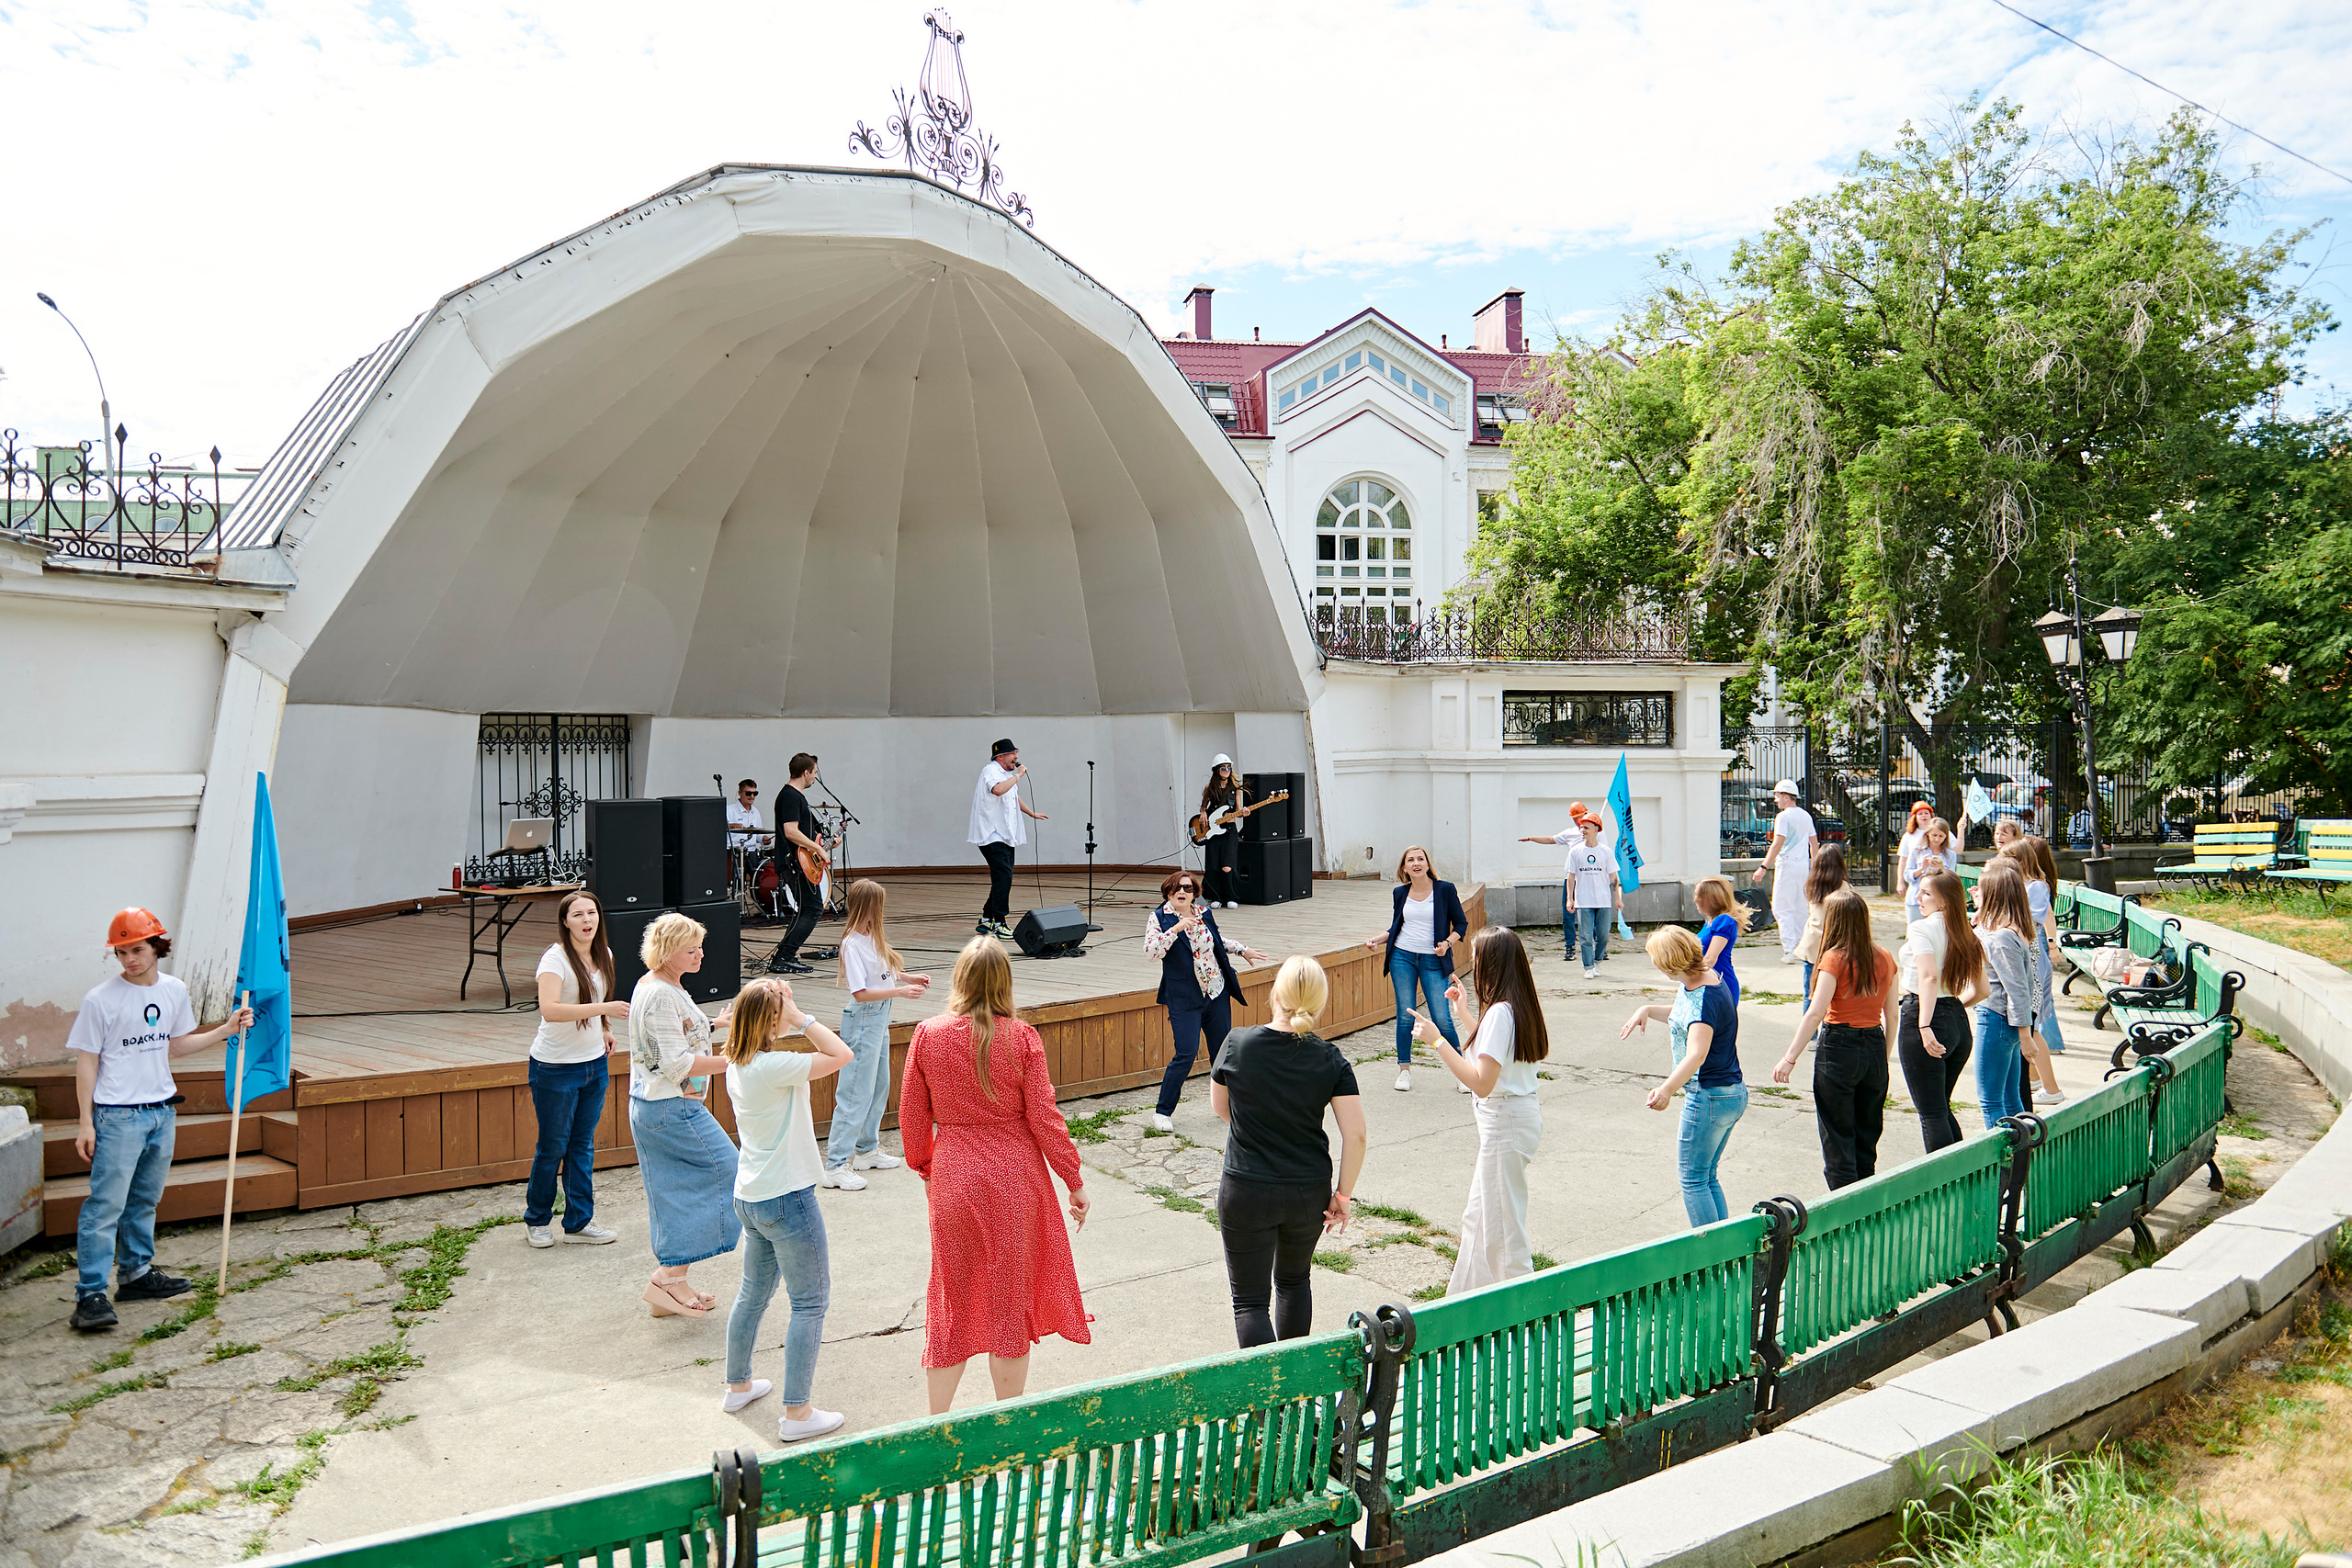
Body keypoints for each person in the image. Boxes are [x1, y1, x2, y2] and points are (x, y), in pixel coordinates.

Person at [900, 937, 1091, 1414]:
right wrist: (1073, 1179)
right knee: (1009, 1298)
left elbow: (910, 1114)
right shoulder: (1021, 1037)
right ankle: (1005, 1423)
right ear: (1006, 981)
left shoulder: (927, 1033)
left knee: (952, 1294)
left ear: (958, 979)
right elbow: (1045, 1117)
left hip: (954, 1173)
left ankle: (936, 1423)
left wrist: (926, 1164)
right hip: (1015, 1178)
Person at [67, 909, 255, 1333]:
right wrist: (86, 1122)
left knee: (145, 1200)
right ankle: (91, 1295)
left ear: (157, 947)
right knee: (105, 1207)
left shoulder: (174, 990)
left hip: (161, 1112)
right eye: (121, 952)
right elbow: (86, 1062)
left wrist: (226, 1029)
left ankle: (135, 1274)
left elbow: (177, 1045)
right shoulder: (101, 999)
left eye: (137, 949)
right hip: (117, 1115)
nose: (129, 959)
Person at [716, 976, 854, 1441]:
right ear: (771, 1023)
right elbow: (841, 1055)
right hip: (786, 1198)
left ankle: (738, 1385)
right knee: (810, 1303)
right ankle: (797, 1414)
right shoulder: (774, 1065)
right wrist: (802, 1019)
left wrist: (775, 1006)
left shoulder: (738, 1063)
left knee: (752, 1293)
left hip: (750, 1195)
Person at [1209, 956, 1367, 1347]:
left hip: (1246, 1187)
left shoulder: (1237, 1044)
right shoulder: (1330, 1058)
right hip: (1307, 1191)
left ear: (1274, 993)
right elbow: (1357, 1135)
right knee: (1295, 1282)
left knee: (1249, 1302)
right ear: (1319, 1002)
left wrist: (1258, 1123)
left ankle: (1268, 1403)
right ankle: (1297, 1394)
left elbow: (1221, 1108)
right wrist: (1343, 1195)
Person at [1410, 927, 1549, 1292]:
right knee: (1479, 1219)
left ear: (1492, 963)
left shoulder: (1502, 1012)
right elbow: (1490, 1053)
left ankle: (1521, 1315)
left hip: (1505, 1122)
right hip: (1510, 1120)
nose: (1472, 963)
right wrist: (1462, 1013)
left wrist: (1437, 1040)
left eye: (1476, 956)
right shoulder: (1511, 1006)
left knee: (1503, 1230)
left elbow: (1482, 1081)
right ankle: (1465, 1301)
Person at [626, 911, 741, 1318]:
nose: (700, 955)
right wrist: (736, 1057)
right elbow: (676, 1064)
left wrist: (713, 1024)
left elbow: (673, 1033)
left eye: (700, 947)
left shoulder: (656, 985)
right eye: (690, 949)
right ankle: (669, 1278)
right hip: (671, 1108)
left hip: (658, 1106)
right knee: (732, 1172)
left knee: (675, 1193)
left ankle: (671, 1283)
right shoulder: (658, 993)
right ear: (667, 951)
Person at [1618, 926, 1747, 1227]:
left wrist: (1666, 1089)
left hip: (1709, 1096)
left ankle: (1710, 1257)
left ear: (1668, 964)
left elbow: (1696, 1054)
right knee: (1706, 1175)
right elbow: (1685, 1015)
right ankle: (1724, 1250)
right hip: (1731, 1092)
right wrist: (1648, 1009)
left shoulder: (1702, 998)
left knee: (1692, 1179)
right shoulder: (1706, 977)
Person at [525, 889, 629, 1248]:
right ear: (565, 922)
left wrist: (605, 1028)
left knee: (582, 1145)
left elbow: (596, 1003)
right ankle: (537, 1220)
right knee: (552, 1147)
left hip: (593, 1066)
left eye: (592, 913)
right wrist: (603, 1011)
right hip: (555, 1068)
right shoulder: (555, 960)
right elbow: (550, 1010)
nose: (587, 920)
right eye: (578, 915)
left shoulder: (605, 955)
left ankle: (579, 1222)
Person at [1774, 887, 1897, 1190]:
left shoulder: (1834, 958)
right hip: (1874, 1046)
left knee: (1838, 1139)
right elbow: (1893, 1016)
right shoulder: (1885, 957)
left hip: (1839, 1047)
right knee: (1866, 1138)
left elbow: (1815, 1013)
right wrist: (1883, 1055)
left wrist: (1790, 1058)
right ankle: (1865, 1211)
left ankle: (1844, 1216)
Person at [823, 879, 931, 1190]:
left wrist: (909, 978)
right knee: (855, 1091)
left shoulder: (872, 936)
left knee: (878, 1085)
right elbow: (860, 992)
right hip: (864, 1018)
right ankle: (836, 1163)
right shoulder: (851, 943)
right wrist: (901, 991)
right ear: (867, 906)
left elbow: (883, 972)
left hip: (880, 1016)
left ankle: (866, 1148)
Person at [1142, 869, 1267, 1132]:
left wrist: (1242, 949)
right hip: (1184, 997)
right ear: (1168, 892)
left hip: (1216, 992)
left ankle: (1230, 1105)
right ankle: (1163, 1112)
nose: (1182, 893)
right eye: (1177, 888)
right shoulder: (1159, 918)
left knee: (1222, 1052)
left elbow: (1217, 941)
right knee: (1185, 1054)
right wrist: (1175, 929)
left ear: (1195, 893)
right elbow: (1152, 953)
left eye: (1188, 889)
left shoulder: (1203, 913)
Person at [1363, 846, 1468, 1093]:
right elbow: (1396, 928)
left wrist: (1447, 943)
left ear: (1428, 864)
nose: (1416, 863)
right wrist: (1377, 940)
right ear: (1404, 868)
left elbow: (1461, 923)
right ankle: (1404, 1071)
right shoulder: (1400, 893)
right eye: (1411, 860)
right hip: (1403, 957)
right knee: (1405, 1014)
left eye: (1420, 858)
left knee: (1442, 1017)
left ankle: (1463, 1073)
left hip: (1434, 959)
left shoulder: (1444, 890)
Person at [1895, 869, 1984, 1154]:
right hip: (1957, 1018)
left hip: (1925, 1015)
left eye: (1926, 893)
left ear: (1944, 901)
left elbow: (1929, 977)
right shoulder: (1965, 932)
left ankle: (1946, 1187)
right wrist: (1951, 1009)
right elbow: (1983, 990)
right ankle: (1961, 1175)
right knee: (1940, 1107)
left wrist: (1924, 1024)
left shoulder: (1922, 927)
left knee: (1932, 1113)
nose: (1918, 897)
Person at [1971, 862, 2042, 1128]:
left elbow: (2018, 989)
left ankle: (2004, 1162)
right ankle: (2024, 1156)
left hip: (1997, 1019)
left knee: (1991, 1100)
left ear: (1995, 895)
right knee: (2011, 1097)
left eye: (1983, 891)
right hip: (2006, 1022)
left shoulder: (2002, 938)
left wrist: (2026, 1036)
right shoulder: (2013, 930)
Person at [2000, 835, 2069, 1105]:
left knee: (2032, 1025)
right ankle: (2034, 1080)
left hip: (2033, 955)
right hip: (2026, 952)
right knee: (2027, 1023)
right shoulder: (2019, 885)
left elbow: (2030, 918)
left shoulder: (2036, 886)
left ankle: (2052, 1090)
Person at [1521, 804, 1619, 976]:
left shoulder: (1600, 837)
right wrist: (1532, 838)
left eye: (1581, 819)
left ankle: (1598, 957)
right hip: (1577, 881)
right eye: (1576, 820)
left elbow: (1610, 868)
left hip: (1599, 887)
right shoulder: (1573, 840)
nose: (1579, 823)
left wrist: (1617, 895)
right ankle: (1573, 950)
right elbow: (1552, 840)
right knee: (1573, 920)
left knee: (1602, 932)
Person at [968, 739, 1046, 940]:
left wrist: (1030, 813)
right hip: (991, 834)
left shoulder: (1005, 775)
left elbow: (1012, 794)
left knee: (1004, 876)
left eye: (1016, 753)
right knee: (1003, 875)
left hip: (1005, 834)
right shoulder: (991, 771)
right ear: (1000, 756)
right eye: (1012, 753)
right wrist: (1018, 776)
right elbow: (998, 790)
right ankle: (1000, 921)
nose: (1016, 757)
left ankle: (987, 919)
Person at [766, 754, 827, 976]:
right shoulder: (791, 796)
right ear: (805, 772)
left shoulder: (795, 796)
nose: (815, 777)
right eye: (815, 772)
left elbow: (804, 833)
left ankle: (784, 956)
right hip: (796, 863)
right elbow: (790, 832)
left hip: (801, 862)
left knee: (807, 910)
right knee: (812, 909)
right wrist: (819, 849)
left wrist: (823, 844)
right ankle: (784, 957)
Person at [1749, 780, 1816, 963]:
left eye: (1777, 795)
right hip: (1803, 867)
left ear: (1786, 796)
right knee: (1801, 907)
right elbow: (1814, 844)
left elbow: (1778, 843)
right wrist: (1816, 868)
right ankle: (1803, 948)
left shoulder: (1784, 817)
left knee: (1781, 908)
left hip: (1787, 866)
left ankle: (1790, 949)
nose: (1775, 799)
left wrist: (1763, 866)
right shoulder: (1805, 816)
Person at [1195, 755, 1274, 908]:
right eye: (1223, 767)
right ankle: (1216, 897)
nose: (1226, 770)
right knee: (1213, 866)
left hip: (1229, 830)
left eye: (1229, 767)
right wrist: (1203, 813)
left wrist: (1244, 812)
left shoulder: (1235, 789)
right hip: (1212, 831)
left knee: (1228, 866)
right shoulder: (1209, 788)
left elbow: (1238, 809)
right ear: (1216, 770)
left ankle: (1231, 897)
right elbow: (1204, 806)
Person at [1792, 844, 1849, 1039]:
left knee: (1810, 992)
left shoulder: (1811, 885)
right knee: (1830, 993)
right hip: (1832, 946)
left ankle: (1810, 1035)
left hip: (1811, 946)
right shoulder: (1843, 888)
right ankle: (1826, 1030)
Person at [1691, 875, 1747, 1005]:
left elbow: (1710, 958)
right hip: (1708, 981)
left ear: (1712, 898)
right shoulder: (1710, 922)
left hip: (1720, 985)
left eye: (1699, 895)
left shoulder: (1724, 921)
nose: (1695, 899)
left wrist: (1690, 976)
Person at [1902, 818, 1961, 923]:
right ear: (1928, 833)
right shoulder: (1917, 850)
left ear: (1946, 837)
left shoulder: (1950, 854)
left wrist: (1942, 869)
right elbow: (1907, 875)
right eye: (1934, 835)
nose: (1937, 839)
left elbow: (1952, 880)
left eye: (1941, 836)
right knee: (1914, 931)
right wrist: (1922, 868)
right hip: (1916, 900)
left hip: (1939, 901)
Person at [1892, 800, 1936, 911]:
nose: (1924, 816)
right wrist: (1900, 882)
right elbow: (1903, 860)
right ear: (1914, 817)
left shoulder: (1938, 832)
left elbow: (1956, 849)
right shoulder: (1908, 836)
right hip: (1916, 882)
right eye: (1920, 813)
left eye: (1926, 813)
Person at [726, 779, 770, 851]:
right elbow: (718, 828)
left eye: (755, 794)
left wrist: (763, 838)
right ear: (740, 793)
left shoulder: (755, 811)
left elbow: (758, 834)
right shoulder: (729, 810)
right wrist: (733, 826)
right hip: (733, 852)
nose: (752, 796)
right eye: (748, 793)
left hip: (752, 852)